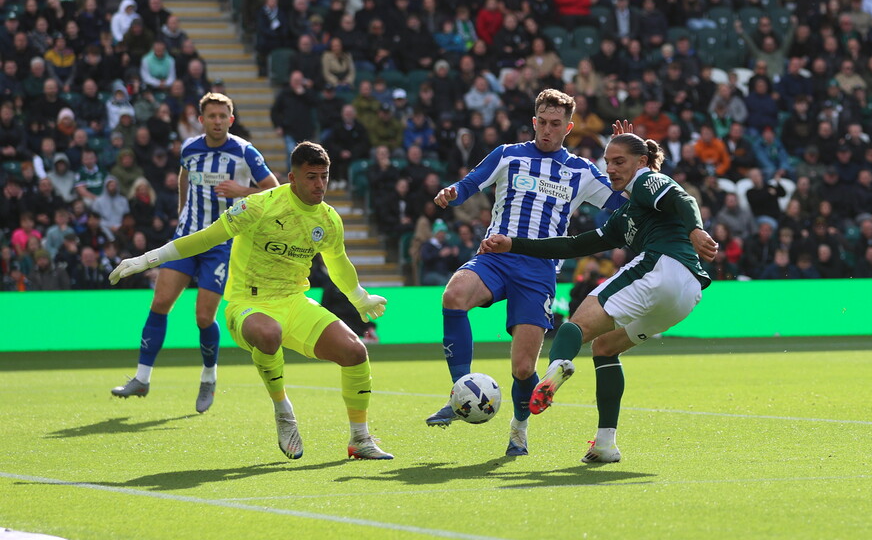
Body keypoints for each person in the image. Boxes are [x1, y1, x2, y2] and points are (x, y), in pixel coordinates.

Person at [110, 141, 393, 461]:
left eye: (324, 176)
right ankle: (283, 412)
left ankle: (359, 439)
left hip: (294, 302)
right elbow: (207, 237)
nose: (319, 184)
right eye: (311, 177)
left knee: (356, 351)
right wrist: (149, 259)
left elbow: (338, 264)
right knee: (269, 333)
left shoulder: (328, 219)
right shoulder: (259, 205)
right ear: (292, 178)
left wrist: (360, 297)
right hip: (248, 303)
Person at [479, 125, 717, 463]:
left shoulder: (648, 180)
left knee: (573, 327)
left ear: (643, 161)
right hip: (686, 295)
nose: (611, 169)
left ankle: (556, 368)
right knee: (605, 348)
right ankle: (605, 444)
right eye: (608, 162)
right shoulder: (626, 213)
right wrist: (514, 244)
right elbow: (576, 244)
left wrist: (695, 229)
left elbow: (684, 199)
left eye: (620, 162)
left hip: (664, 267)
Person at [424, 89, 625, 458]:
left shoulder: (581, 171)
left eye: (556, 124)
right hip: (496, 256)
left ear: (569, 127)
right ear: (534, 122)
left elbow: (621, 201)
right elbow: (470, 183)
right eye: (542, 123)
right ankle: (460, 393)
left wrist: (638, 165)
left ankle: (518, 430)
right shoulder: (508, 154)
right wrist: (452, 192)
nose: (547, 130)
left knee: (522, 369)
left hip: (539, 270)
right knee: (454, 295)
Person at [110, 93, 278, 413]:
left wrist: (242, 191)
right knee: (160, 303)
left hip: (223, 243)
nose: (217, 121)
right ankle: (142, 378)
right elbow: (185, 176)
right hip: (187, 236)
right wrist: (181, 209)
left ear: (231, 119)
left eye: (222, 116)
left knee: (203, 317)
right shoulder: (190, 148)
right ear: (201, 120)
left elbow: (274, 189)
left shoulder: (244, 152)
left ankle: (209, 376)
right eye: (211, 116)